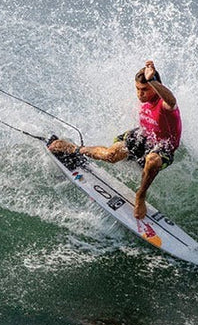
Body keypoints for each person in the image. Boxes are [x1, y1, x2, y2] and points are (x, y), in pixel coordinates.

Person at [49, 59, 181, 220]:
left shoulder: (164, 104)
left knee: (152, 160)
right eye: (137, 89)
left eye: (145, 89)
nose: (140, 94)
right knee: (110, 156)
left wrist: (152, 80)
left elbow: (171, 101)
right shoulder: (143, 101)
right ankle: (73, 149)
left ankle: (140, 195)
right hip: (144, 137)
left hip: (163, 145)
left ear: (155, 86)